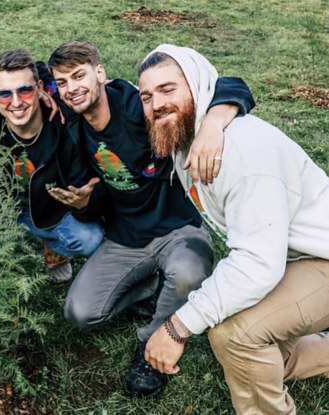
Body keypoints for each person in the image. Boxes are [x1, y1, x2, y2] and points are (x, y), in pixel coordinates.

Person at [45, 40, 255, 397]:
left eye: (79, 76)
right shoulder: (73, 131)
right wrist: (82, 203)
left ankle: (151, 346)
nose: (71, 88)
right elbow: (96, 201)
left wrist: (213, 124)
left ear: (100, 73)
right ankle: (155, 288)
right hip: (125, 237)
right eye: (62, 83)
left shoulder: (139, 104)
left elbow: (232, 85)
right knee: (80, 313)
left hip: (178, 227)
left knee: (189, 274)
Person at [138, 44, 329, 414]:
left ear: (198, 88)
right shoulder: (185, 139)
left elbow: (257, 263)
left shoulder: (240, 152)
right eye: (146, 96)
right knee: (253, 351)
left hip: (320, 257)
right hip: (296, 255)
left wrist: (175, 327)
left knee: (236, 334)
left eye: (168, 89)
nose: (156, 103)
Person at [0, 49, 104, 283]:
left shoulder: (64, 121)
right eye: (5, 94)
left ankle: (55, 248)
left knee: (89, 237)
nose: (16, 102)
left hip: (48, 211)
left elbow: (92, 190)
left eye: (25, 90)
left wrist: (84, 203)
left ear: (39, 89)